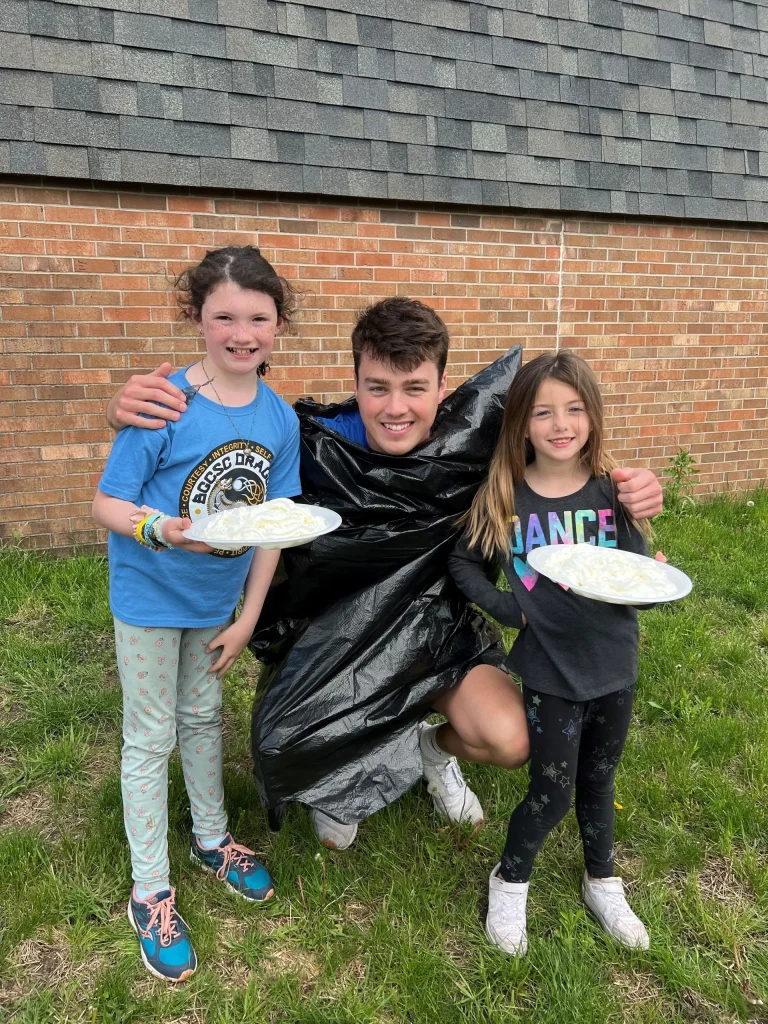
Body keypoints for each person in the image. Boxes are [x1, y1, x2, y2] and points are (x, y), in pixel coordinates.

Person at [106, 298, 663, 853]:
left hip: (440, 634)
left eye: (415, 388)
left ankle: (431, 751)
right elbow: (222, 433)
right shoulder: (314, 442)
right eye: (377, 387)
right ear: (355, 381)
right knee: (280, 746)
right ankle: (343, 771)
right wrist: (119, 410)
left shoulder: (479, 441)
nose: (396, 408)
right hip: (339, 639)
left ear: (444, 387)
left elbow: (561, 444)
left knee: (512, 739)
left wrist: (631, 482)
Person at [93, 246, 301, 983]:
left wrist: (248, 616)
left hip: (217, 606)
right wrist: (160, 528)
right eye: (224, 316)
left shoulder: (279, 418)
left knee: (202, 718)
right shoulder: (162, 404)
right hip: (151, 600)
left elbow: (276, 521)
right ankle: (150, 890)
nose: (241, 332)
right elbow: (107, 502)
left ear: (278, 323)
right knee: (150, 738)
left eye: (257, 317)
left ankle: (213, 840)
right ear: (196, 317)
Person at [449, 350, 661, 957]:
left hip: (614, 663)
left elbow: (635, 572)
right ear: (520, 423)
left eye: (574, 409)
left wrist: (652, 578)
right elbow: (463, 561)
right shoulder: (508, 500)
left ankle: (603, 880)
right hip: (550, 673)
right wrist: (507, 607)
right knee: (552, 791)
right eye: (543, 412)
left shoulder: (609, 494)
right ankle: (510, 879)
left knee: (600, 781)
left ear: (592, 416)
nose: (561, 424)